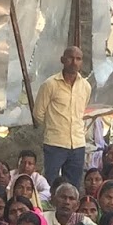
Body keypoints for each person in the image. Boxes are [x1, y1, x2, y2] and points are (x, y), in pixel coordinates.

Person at [33, 46, 91, 190]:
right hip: (55, 143)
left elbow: (82, 112)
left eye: (78, 59)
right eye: (70, 58)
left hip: (77, 144)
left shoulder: (85, 86)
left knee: (73, 187)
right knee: (50, 184)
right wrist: (54, 127)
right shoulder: (50, 85)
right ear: (62, 60)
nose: (74, 62)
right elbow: (38, 113)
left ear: (81, 62)